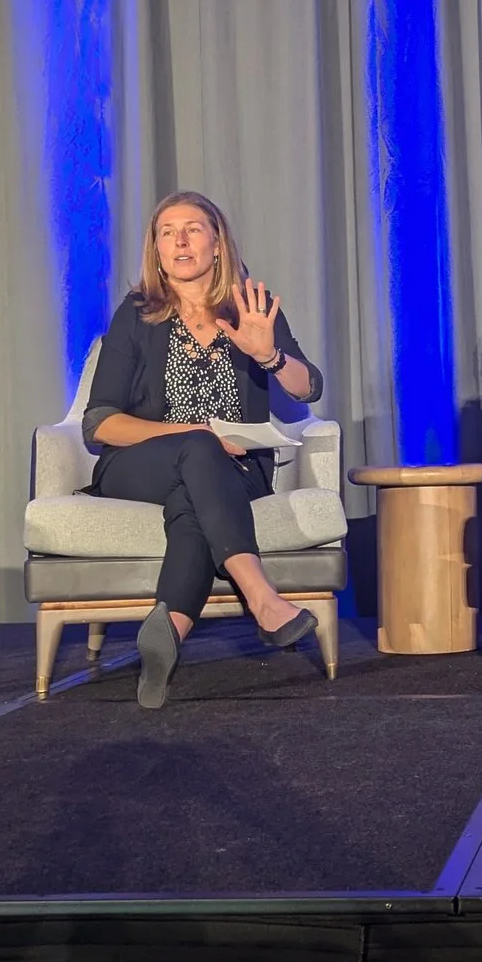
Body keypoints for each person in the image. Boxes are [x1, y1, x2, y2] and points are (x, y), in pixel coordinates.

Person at [83, 191, 325, 707]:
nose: (180, 240)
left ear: (217, 243)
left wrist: (271, 356)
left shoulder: (248, 308)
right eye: (167, 232)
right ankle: (261, 597)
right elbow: (101, 422)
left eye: (192, 228)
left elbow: (308, 388)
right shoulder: (137, 314)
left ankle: (166, 632)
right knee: (196, 446)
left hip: (235, 470)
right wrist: (191, 435)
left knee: (192, 509)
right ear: (156, 248)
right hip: (139, 465)